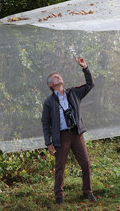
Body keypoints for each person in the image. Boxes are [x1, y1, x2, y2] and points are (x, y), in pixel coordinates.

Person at [41, 56, 97, 205]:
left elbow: (90, 84)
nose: (58, 76)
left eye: (59, 75)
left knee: (85, 163)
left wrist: (85, 68)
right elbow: (45, 123)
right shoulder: (49, 102)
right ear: (51, 84)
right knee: (60, 168)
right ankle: (59, 197)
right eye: (55, 77)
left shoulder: (73, 93)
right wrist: (49, 142)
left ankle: (87, 192)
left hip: (76, 134)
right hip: (61, 136)